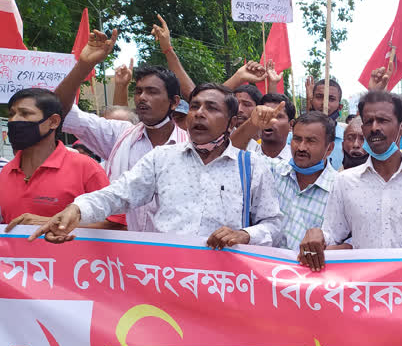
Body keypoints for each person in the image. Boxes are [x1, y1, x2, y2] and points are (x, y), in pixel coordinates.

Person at [30, 84, 282, 248]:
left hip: (224, 284)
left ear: (230, 123)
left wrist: (245, 235)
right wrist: (77, 209)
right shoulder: (162, 158)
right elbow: (119, 193)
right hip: (166, 279)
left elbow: (273, 225)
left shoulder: (253, 167)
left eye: (211, 108)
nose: (198, 113)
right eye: (194, 106)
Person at [297, 90, 402, 271]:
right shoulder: (344, 182)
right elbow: (334, 234)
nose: (374, 128)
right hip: (363, 290)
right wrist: (317, 236)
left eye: (383, 121)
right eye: (368, 122)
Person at [56, 29, 187, 232]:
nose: (142, 97)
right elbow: (58, 112)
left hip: (170, 257)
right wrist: (84, 65)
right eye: (139, 91)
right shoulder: (118, 135)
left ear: (174, 102)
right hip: (117, 256)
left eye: (152, 92)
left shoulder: (190, 147)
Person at [0, 88, 111, 228]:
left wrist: (50, 224)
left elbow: (117, 224)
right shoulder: (6, 172)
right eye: (12, 114)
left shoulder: (85, 168)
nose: (14, 120)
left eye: (25, 113)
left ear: (53, 122)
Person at [273, 111, 339, 250]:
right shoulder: (273, 172)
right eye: (297, 139)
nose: (301, 147)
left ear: (330, 148)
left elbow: (352, 242)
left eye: (311, 141)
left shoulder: (339, 190)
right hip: (268, 270)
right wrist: (252, 125)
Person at [232, 93, 294, 165]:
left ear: (291, 125)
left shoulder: (297, 158)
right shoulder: (246, 150)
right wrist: (252, 122)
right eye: (264, 116)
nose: (269, 121)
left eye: (277, 116)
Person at [304, 76, 345, 169]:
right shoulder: (293, 138)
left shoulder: (347, 139)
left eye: (331, 99)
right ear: (311, 101)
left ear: (340, 107)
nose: (324, 103)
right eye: (319, 97)